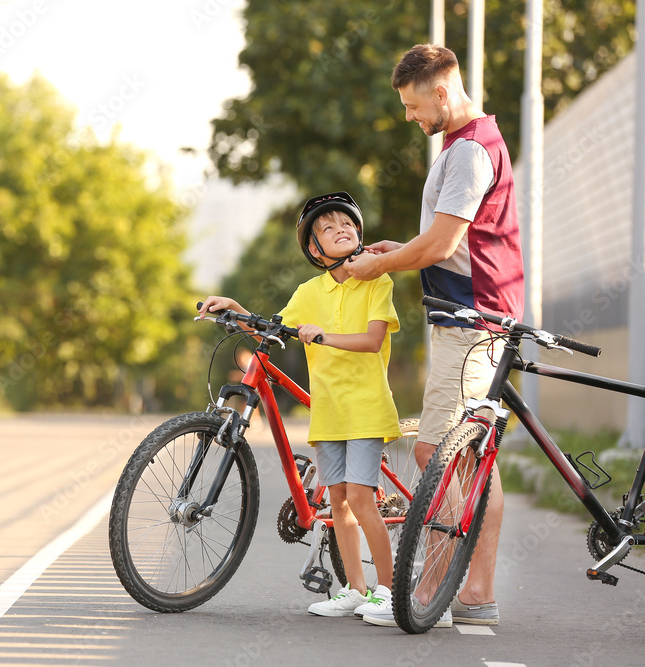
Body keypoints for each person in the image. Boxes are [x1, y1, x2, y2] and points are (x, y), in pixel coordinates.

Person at [347, 44, 524, 628]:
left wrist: (378, 266)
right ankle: (473, 593)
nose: (410, 117)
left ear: (441, 93)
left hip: (473, 323)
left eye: (413, 105)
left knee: (436, 450)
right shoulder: (463, 144)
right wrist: (401, 250)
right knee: (474, 461)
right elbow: (450, 242)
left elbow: (444, 246)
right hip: (474, 315)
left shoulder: (470, 150)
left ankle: (430, 592)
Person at [199, 192, 402, 618]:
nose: (341, 229)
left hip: (365, 407)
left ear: (359, 233)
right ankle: (356, 591)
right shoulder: (310, 292)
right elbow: (273, 332)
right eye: (328, 228)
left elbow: (373, 341)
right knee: (339, 504)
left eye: (347, 224)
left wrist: (323, 336)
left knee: (363, 499)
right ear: (315, 249)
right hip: (328, 412)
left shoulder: (377, 281)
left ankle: (389, 590)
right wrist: (235, 309)